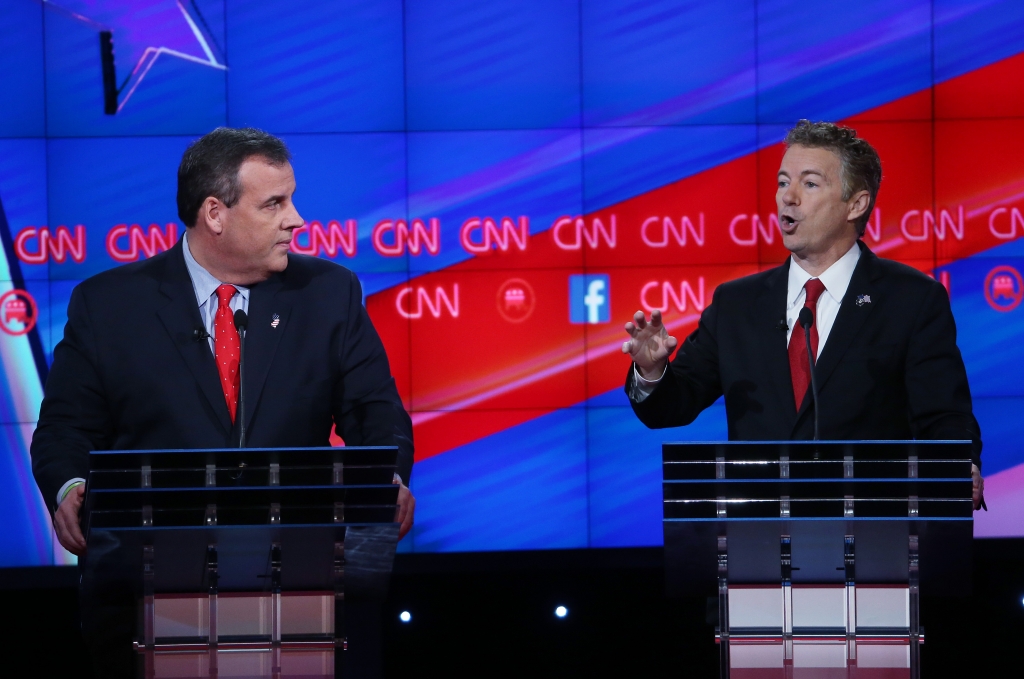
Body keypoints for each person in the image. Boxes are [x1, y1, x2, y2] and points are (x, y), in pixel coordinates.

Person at [31, 127, 414, 676]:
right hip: (150, 593)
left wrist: (387, 478)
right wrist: (70, 488)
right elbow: (64, 429)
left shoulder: (328, 294)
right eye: (274, 203)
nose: (296, 219)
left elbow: (377, 413)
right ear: (215, 213)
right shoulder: (108, 306)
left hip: (296, 587)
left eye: (292, 199)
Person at [622, 120, 985, 509]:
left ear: (856, 204)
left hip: (872, 528)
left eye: (808, 184)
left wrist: (960, 464)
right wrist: (652, 373)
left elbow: (944, 415)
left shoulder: (910, 299)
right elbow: (671, 408)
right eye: (782, 182)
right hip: (759, 532)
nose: (787, 198)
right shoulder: (736, 305)